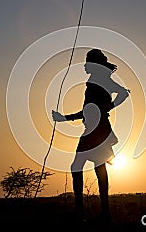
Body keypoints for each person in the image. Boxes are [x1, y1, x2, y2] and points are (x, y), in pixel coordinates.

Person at [52, 49, 130, 223]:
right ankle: (103, 212)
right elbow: (87, 111)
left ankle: (87, 212)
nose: (85, 64)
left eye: (88, 61)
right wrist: (64, 118)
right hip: (95, 130)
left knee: (79, 167)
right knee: (96, 167)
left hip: (97, 130)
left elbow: (124, 93)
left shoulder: (102, 80)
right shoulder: (95, 81)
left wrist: (107, 108)